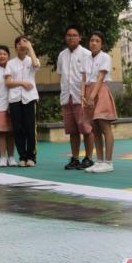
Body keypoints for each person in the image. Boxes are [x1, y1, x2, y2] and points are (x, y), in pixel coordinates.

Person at [58, 26, 95, 170]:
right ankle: (75, 158)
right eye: (68, 35)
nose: (71, 37)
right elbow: (61, 75)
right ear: (65, 37)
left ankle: (88, 158)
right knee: (72, 131)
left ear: (79, 37)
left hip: (82, 98)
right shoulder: (62, 55)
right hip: (67, 97)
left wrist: (88, 96)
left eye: (74, 35)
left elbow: (91, 77)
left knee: (87, 129)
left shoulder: (87, 54)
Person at [83, 31, 118, 173]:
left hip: (100, 91)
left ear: (102, 44)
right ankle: (99, 161)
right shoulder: (86, 59)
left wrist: (92, 97)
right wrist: (83, 96)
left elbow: (100, 78)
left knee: (104, 126)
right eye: (92, 40)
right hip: (88, 92)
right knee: (94, 128)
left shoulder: (105, 57)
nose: (94, 43)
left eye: (97, 41)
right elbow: (83, 79)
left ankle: (108, 162)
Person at [5, 35, 40, 167]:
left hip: (29, 98)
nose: (22, 45)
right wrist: (22, 83)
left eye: (24, 43)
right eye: (19, 43)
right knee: (18, 128)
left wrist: (30, 47)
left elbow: (36, 65)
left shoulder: (31, 60)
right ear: (15, 47)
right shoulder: (10, 63)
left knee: (30, 128)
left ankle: (31, 157)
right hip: (15, 98)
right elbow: (8, 82)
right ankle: (22, 156)